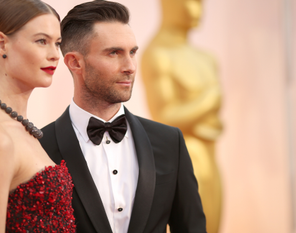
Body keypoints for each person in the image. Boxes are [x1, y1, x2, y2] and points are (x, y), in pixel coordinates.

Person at [39, 1, 207, 232]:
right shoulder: (38, 147)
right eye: (114, 53)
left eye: (132, 52)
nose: (130, 66)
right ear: (75, 62)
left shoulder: (170, 142)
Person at [0, 0, 76, 232]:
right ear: (2, 44)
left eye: (57, 43)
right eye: (41, 41)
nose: (55, 55)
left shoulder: (15, 127)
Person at [140, 0, 223, 232]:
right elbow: (164, 117)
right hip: (187, 156)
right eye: (191, 1)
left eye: (201, 2)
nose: (197, 10)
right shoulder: (158, 55)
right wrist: (209, 101)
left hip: (211, 157)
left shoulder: (207, 59)